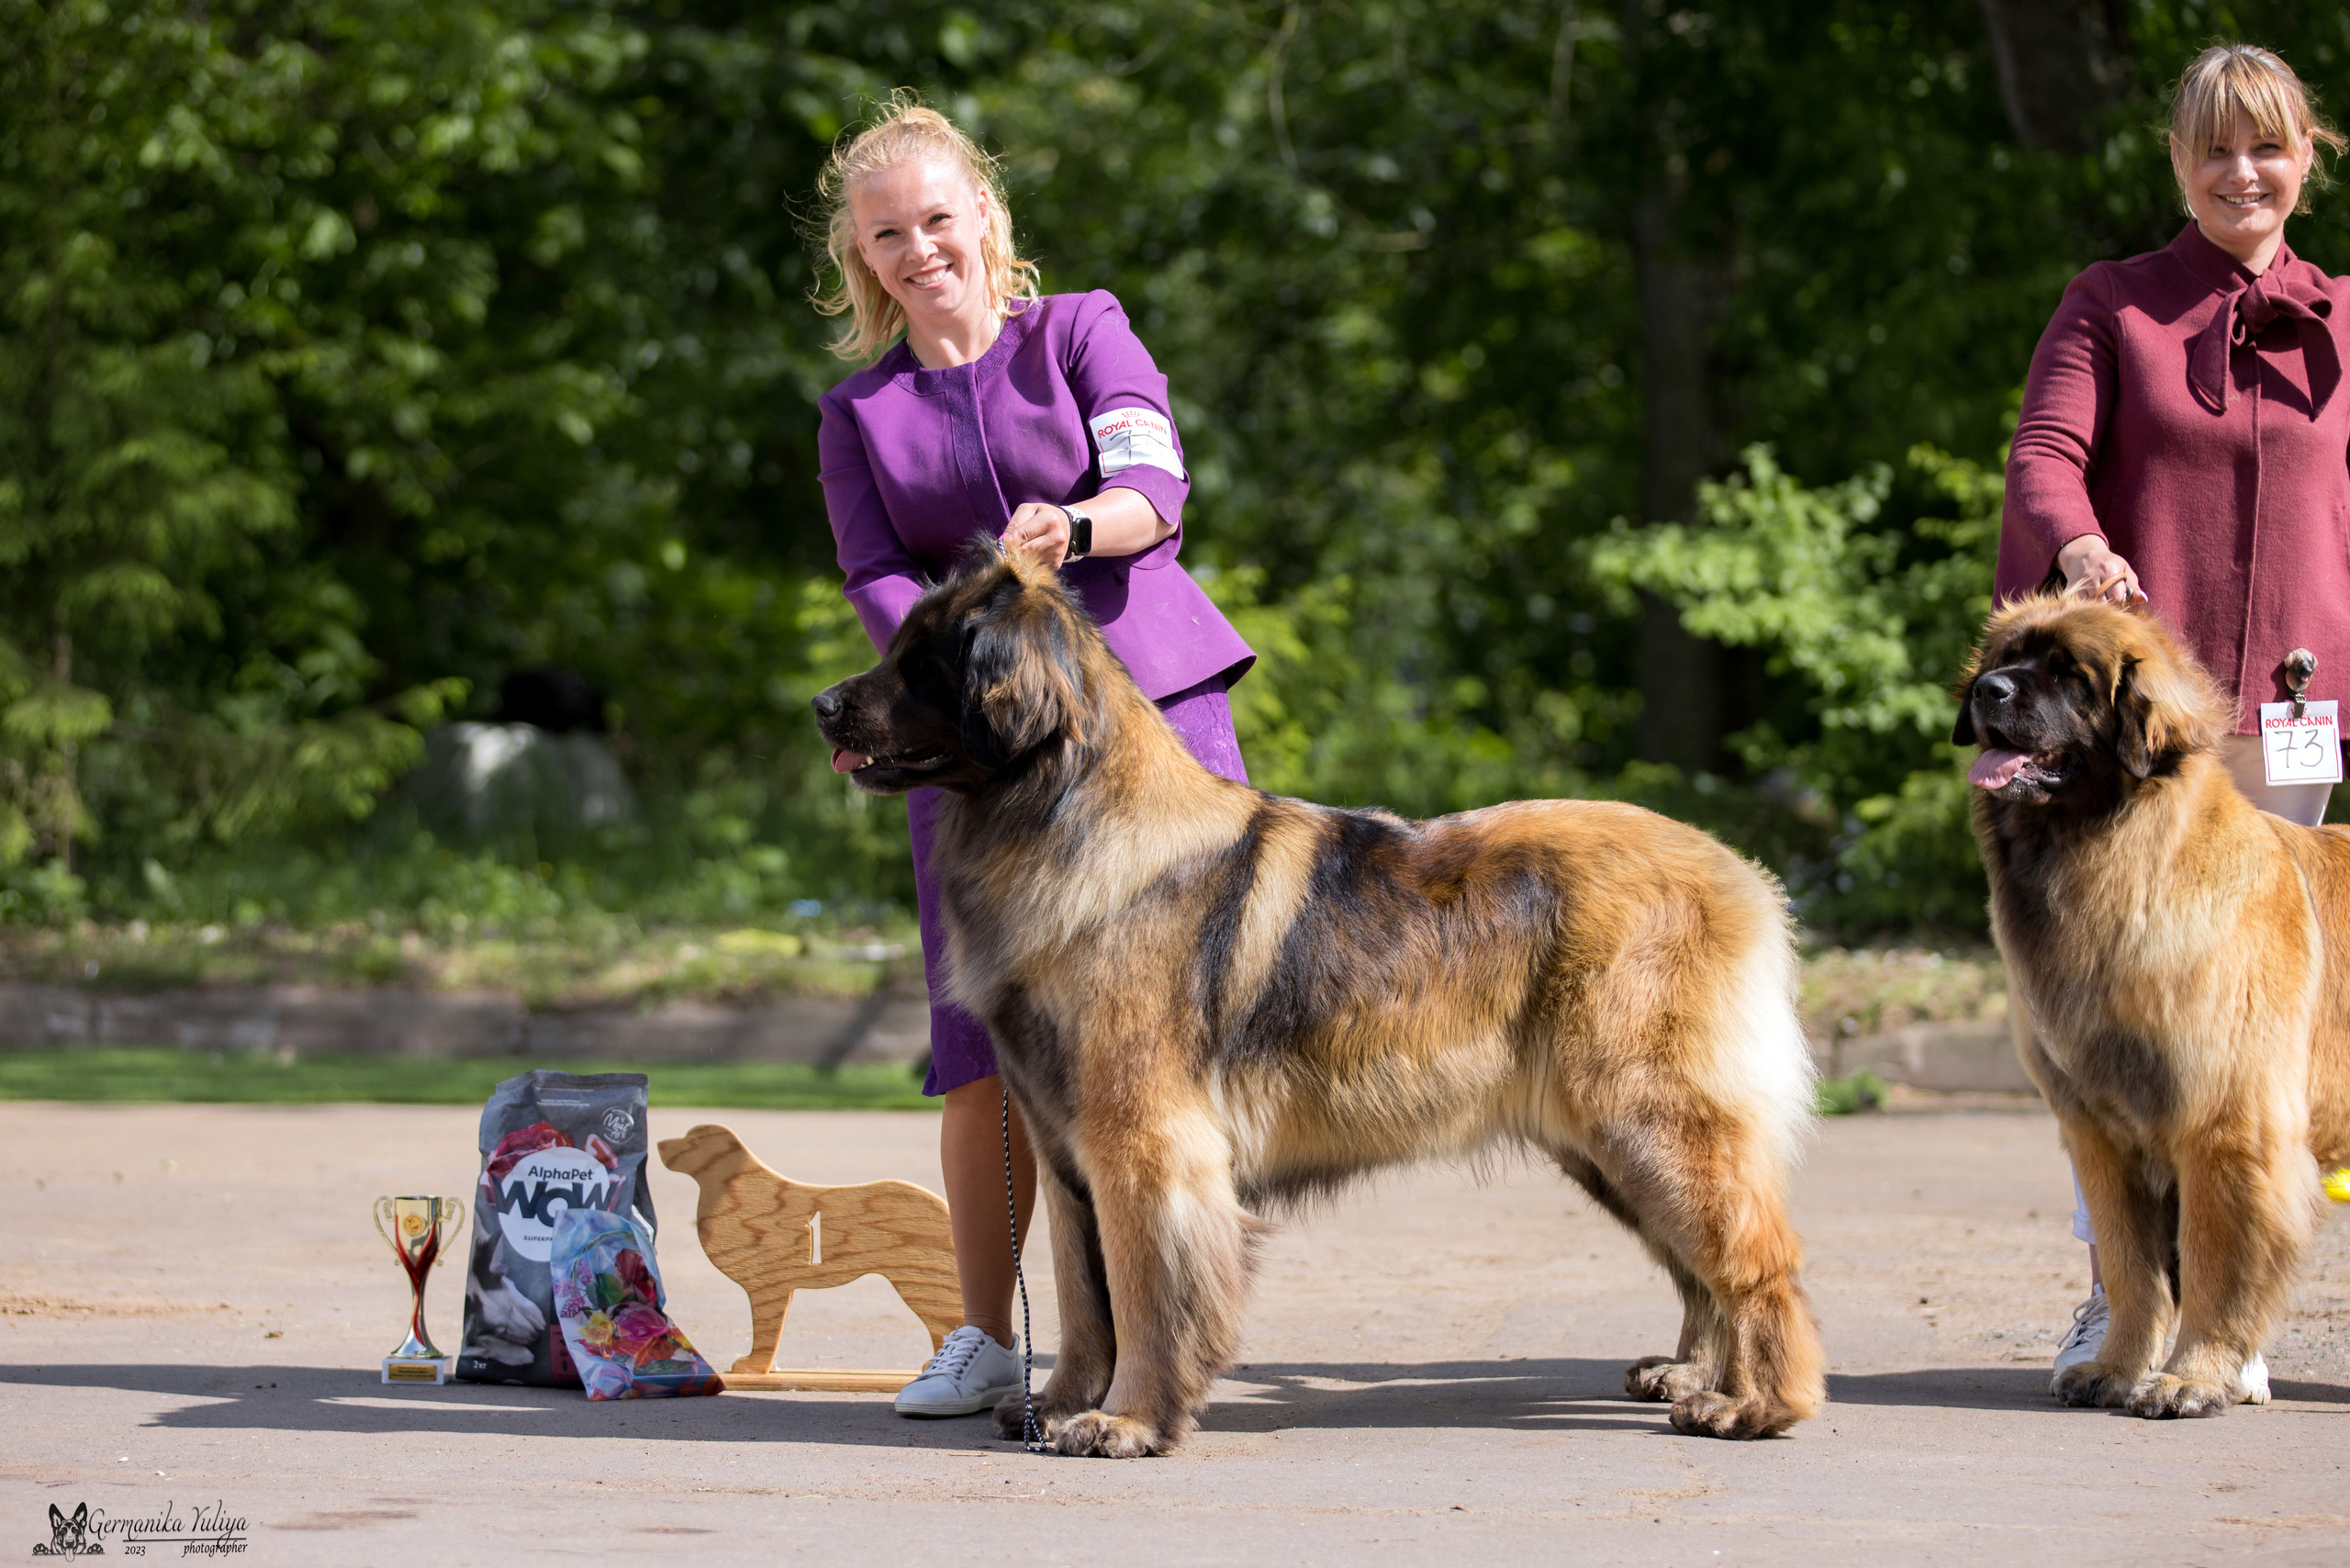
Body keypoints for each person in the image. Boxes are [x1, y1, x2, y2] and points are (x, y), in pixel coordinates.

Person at [808, 95, 1256, 1417]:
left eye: (938, 219)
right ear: (862, 259)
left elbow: (1155, 486)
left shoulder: (1081, 328)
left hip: (1148, 719)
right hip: (965, 754)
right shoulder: (857, 412)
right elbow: (871, 569)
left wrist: (1082, 524)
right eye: (888, 234)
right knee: (981, 1042)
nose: (918, 249)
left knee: (1172, 1034)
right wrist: (955, 674)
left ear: (985, 219)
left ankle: (1171, 1327)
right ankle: (984, 1335)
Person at [1998, 42, 2350, 1403]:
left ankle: (2232, 1319)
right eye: (2214, 147)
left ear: (2307, 158)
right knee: (2121, 1035)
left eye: (2266, 147)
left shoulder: (2345, 317)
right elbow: (2045, 455)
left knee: (2269, 1056)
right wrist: (2079, 551)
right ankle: (2120, 1306)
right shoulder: (2114, 306)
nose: (2241, 171)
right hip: (2145, 744)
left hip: (2300, 717)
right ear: (2177, 163)